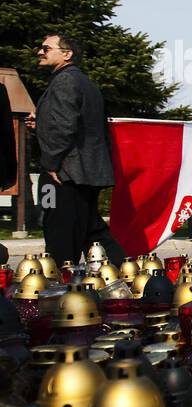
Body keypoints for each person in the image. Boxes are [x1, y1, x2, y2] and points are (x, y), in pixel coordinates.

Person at [29, 33, 126, 266]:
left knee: (60, 231)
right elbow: (78, 123)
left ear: (67, 54)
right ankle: (125, 273)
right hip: (83, 170)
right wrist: (40, 122)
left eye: (46, 48)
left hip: (66, 172)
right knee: (91, 231)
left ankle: (60, 285)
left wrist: (51, 162)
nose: (40, 52)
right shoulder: (82, 81)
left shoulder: (64, 81)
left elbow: (65, 126)